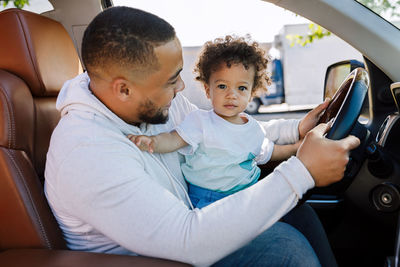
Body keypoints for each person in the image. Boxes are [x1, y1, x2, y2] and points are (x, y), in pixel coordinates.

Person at [44, 6, 360, 267]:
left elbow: (223, 129)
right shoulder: (87, 153)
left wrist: (298, 130)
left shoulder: (148, 104)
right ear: (123, 89)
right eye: (171, 81)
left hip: (189, 227)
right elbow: (187, 242)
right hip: (161, 257)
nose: (181, 89)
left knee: (299, 216)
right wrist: (302, 171)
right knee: (289, 250)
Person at [128, 35, 305, 209]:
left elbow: (269, 152)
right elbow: (174, 139)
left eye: (241, 88)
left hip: (247, 195)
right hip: (208, 199)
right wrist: (152, 142)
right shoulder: (200, 121)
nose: (231, 95)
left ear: (251, 93)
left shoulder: (253, 128)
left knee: (298, 210)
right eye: (222, 86)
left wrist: (298, 147)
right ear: (207, 90)